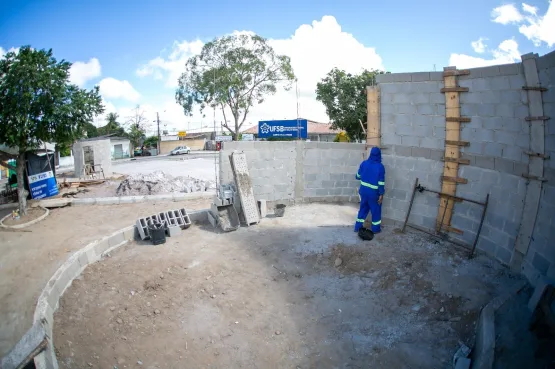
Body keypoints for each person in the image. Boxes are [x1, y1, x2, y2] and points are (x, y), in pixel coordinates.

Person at [354, 146, 385, 233]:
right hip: (373, 194)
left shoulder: (364, 163)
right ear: (379, 155)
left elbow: (357, 176)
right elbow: (381, 183)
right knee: (375, 211)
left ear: (371, 154)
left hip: (363, 191)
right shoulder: (380, 167)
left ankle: (357, 227)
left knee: (363, 209)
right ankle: (375, 229)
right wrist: (381, 194)